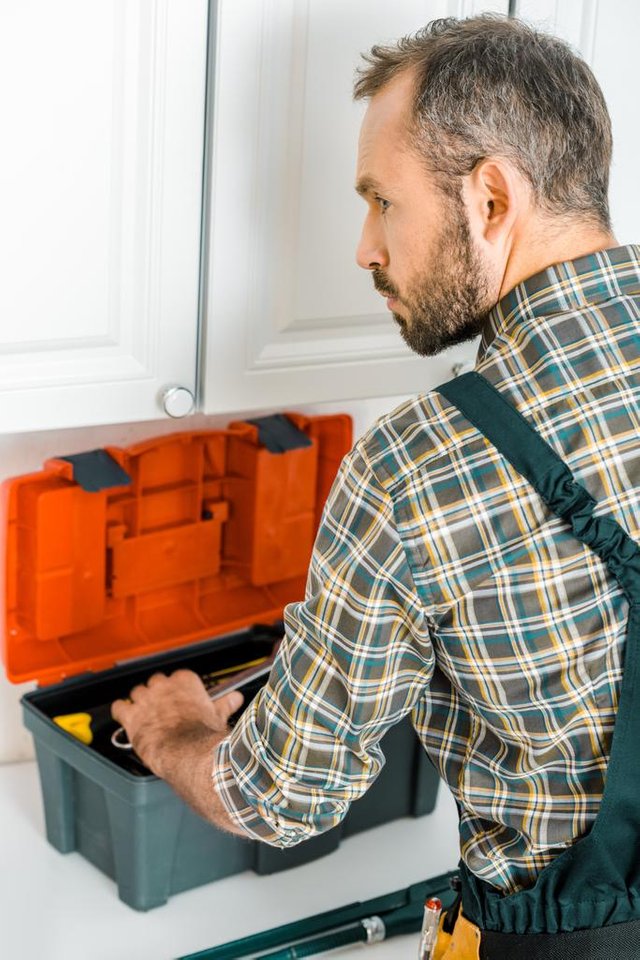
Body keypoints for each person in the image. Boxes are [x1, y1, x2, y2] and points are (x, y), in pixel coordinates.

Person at [112, 15, 640, 958]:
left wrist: (176, 730)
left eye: (380, 201)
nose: (364, 247)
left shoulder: (416, 468)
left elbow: (278, 797)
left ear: (489, 199)